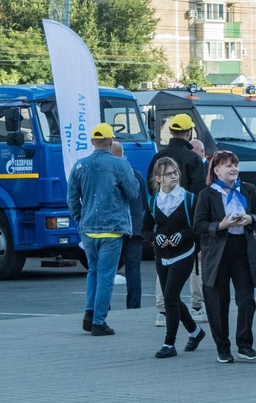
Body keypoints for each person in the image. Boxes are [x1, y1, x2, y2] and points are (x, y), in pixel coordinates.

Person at [67, 123, 140, 336]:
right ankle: (99, 321)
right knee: (106, 276)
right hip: (112, 229)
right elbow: (134, 192)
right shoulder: (118, 164)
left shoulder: (80, 166)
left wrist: (82, 218)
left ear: (92, 142)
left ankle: (89, 313)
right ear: (110, 141)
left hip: (88, 229)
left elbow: (72, 199)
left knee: (93, 271)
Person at [193, 150, 256, 363]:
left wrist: (250, 218)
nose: (233, 169)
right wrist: (221, 225)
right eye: (227, 165)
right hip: (217, 253)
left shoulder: (248, 189)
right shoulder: (207, 194)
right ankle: (222, 347)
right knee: (217, 302)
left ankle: (245, 345)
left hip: (242, 249)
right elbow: (198, 225)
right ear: (216, 170)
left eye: (235, 164)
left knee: (246, 300)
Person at [143, 157, 207, 358]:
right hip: (162, 255)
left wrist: (183, 235)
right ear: (158, 177)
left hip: (185, 253)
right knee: (172, 297)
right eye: (169, 174)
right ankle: (195, 332)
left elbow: (198, 226)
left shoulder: (189, 199)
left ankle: (169, 343)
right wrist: (156, 237)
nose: (174, 176)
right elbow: (145, 229)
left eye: (176, 172)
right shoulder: (153, 201)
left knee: (170, 296)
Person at [148, 114, 206, 326]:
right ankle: (197, 307)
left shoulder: (159, 157)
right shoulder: (193, 159)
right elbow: (200, 192)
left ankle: (163, 310)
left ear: (171, 132)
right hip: (188, 221)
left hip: (163, 218)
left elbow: (150, 187)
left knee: (163, 261)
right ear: (189, 132)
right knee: (194, 262)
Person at [110, 141, 146, 310]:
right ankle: (134, 307)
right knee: (133, 271)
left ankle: (104, 305)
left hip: (115, 228)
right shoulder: (136, 174)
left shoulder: (110, 174)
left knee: (108, 269)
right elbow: (144, 202)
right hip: (136, 228)